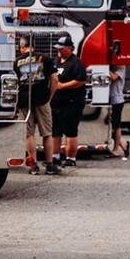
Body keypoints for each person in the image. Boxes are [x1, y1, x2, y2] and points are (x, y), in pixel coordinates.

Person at [15, 36, 59, 174]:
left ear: (22, 47)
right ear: (34, 45)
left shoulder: (16, 61)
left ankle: (33, 165)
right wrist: (49, 97)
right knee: (47, 133)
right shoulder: (45, 58)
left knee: (29, 134)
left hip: (23, 100)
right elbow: (55, 79)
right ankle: (50, 164)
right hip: (42, 99)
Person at [51, 32, 87, 167]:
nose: (59, 51)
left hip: (71, 102)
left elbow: (81, 80)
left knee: (70, 131)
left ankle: (71, 158)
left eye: (62, 48)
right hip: (56, 103)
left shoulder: (76, 62)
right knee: (55, 132)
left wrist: (63, 86)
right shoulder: (56, 61)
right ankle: (55, 157)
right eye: (58, 48)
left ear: (70, 48)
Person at [108, 65, 130, 159]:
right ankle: (123, 144)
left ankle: (116, 149)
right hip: (108, 98)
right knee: (108, 126)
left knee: (116, 125)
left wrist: (104, 67)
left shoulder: (121, 67)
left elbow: (113, 77)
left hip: (117, 99)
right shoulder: (112, 67)